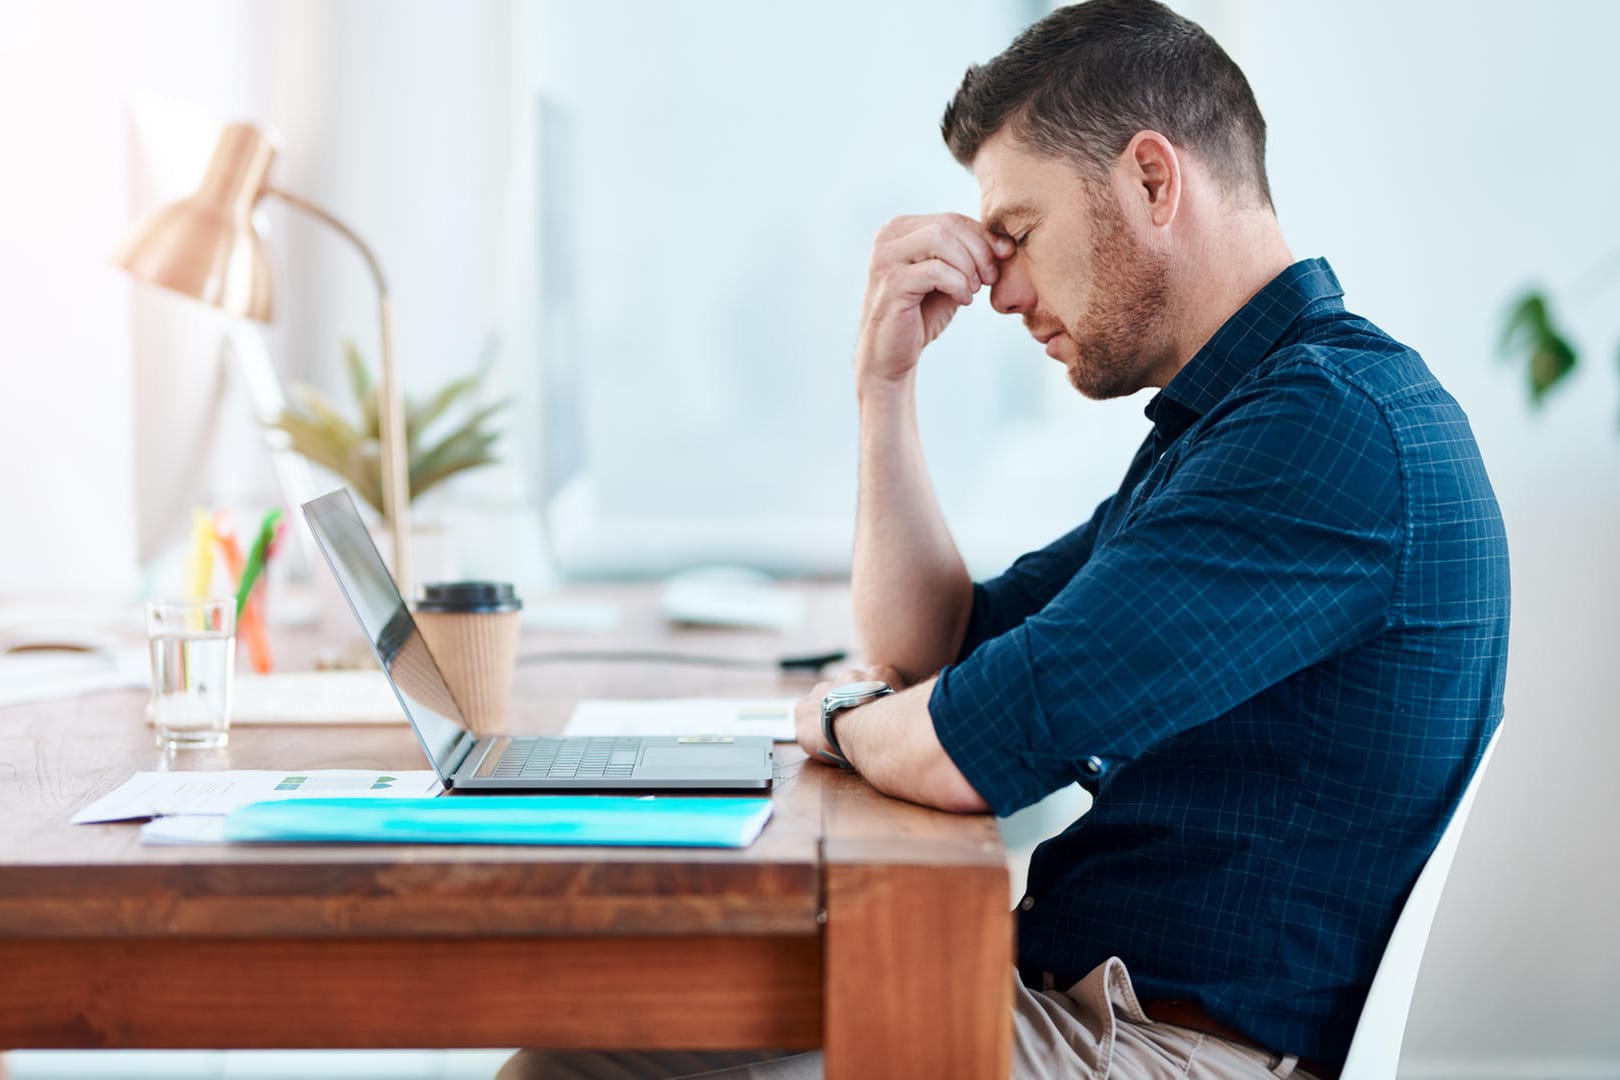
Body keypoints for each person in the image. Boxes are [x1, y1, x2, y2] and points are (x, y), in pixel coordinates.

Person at [498, 0, 1509, 1076]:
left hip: (1154, 1049)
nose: (1002, 289)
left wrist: (843, 718)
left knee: (597, 1045)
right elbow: (943, 643)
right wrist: (883, 385)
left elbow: (969, 745)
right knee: (602, 1033)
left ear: (1154, 180)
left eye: (1018, 234)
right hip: (1085, 1011)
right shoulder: (1241, 422)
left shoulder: (1326, 432)